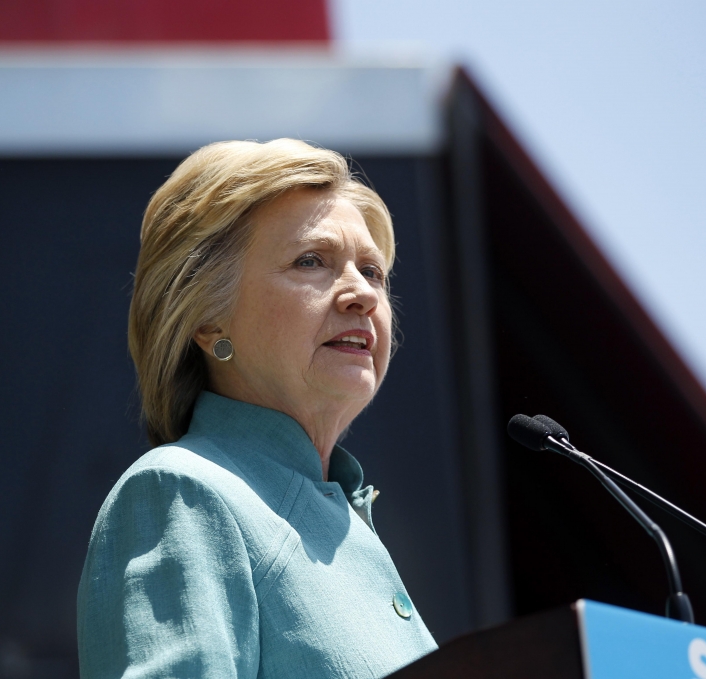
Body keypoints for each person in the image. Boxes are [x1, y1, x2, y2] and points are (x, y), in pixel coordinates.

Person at [77, 139, 438, 678]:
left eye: (373, 272)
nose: (361, 294)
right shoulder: (183, 493)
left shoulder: (346, 523)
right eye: (312, 261)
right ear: (208, 321)